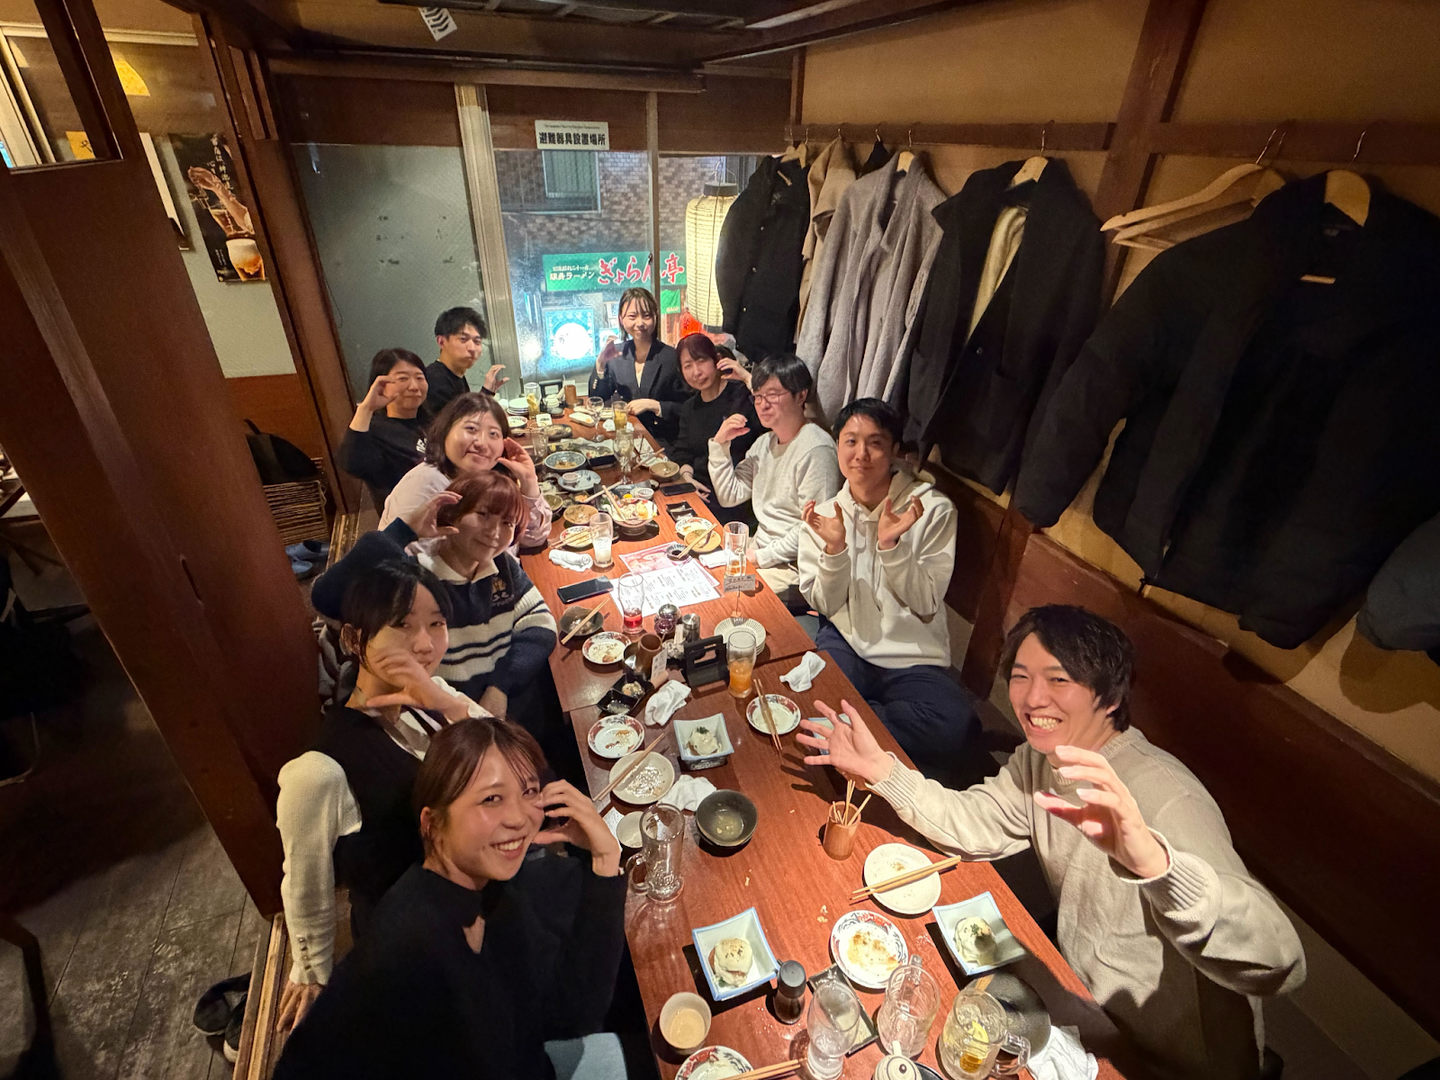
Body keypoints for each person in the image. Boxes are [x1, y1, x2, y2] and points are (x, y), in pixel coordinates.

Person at [798, 605, 1306, 1080]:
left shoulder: (1168, 797)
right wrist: (883, 772)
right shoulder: (1041, 761)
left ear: (1110, 698)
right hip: (1082, 1010)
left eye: (1058, 680)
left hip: (1175, 1062)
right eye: (1021, 677)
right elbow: (974, 823)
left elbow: (1281, 962)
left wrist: (1158, 866)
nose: (1033, 698)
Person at [274, 717, 628, 1080]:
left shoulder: (492, 893)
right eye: (491, 799)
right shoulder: (405, 948)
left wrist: (605, 861)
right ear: (433, 823)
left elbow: (569, 1011)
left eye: (529, 792)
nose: (519, 818)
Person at [275, 559, 486, 1035]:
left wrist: (449, 706)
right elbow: (304, 876)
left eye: (436, 624)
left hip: (473, 898)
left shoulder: (434, 698)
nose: (425, 644)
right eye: (402, 626)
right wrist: (311, 969)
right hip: (410, 938)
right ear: (354, 639)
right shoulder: (319, 772)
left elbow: (514, 763)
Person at [797, 398, 989, 791]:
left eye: (875, 442)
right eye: (850, 441)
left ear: (895, 450)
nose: (861, 454)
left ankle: (854, 726)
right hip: (847, 642)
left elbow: (926, 602)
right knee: (808, 698)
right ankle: (869, 726)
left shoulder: (932, 510)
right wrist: (835, 549)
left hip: (911, 658)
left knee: (956, 726)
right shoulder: (825, 515)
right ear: (837, 446)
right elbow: (824, 605)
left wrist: (891, 546)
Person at [314, 473, 562, 738]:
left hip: (512, 715)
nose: (494, 532)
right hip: (446, 728)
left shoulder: (501, 567)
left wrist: (500, 686)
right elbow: (325, 597)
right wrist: (403, 531)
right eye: (483, 515)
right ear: (453, 515)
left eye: (507, 523)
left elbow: (541, 624)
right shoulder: (416, 578)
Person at [708, 353, 841, 608]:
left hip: (793, 569)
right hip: (760, 552)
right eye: (758, 396)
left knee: (725, 599)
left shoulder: (817, 449)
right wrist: (720, 445)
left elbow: (812, 530)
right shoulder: (764, 443)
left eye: (773, 395)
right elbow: (730, 495)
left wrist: (759, 557)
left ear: (801, 396)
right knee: (706, 577)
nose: (762, 404)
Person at [380, 392, 548, 552]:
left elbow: (530, 539)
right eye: (471, 429)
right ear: (446, 431)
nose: (482, 443)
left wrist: (529, 482)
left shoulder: (487, 483)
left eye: (493, 434)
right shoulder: (424, 484)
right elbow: (406, 562)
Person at [665, 333, 759, 523]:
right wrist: (687, 479)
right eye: (688, 366)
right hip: (698, 493)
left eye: (701, 361)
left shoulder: (742, 395)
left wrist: (747, 377)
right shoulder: (689, 407)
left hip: (737, 497)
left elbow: (771, 410)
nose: (696, 372)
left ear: (717, 360)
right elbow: (683, 451)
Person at [589, 287, 687, 440]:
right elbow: (596, 400)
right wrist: (600, 365)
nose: (640, 323)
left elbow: (689, 407)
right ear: (621, 319)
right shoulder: (616, 354)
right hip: (626, 436)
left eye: (646, 316)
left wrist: (655, 405)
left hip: (663, 440)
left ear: (655, 317)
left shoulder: (671, 357)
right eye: (632, 316)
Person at [337, 348, 431, 505]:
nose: (414, 386)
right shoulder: (375, 430)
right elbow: (351, 464)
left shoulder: (433, 423)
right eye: (403, 378)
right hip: (408, 515)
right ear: (381, 385)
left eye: (419, 378)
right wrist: (366, 408)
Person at [424, 306, 508, 419]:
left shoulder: (455, 373)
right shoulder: (435, 380)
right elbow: (458, 425)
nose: (472, 348)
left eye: (477, 341)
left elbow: (465, 415)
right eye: (463, 339)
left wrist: (488, 392)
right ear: (441, 342)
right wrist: (486, 392)